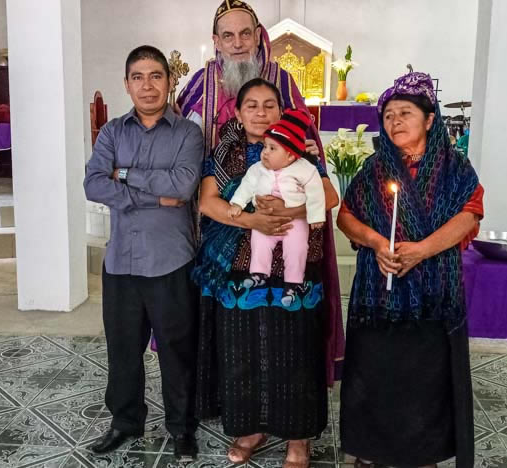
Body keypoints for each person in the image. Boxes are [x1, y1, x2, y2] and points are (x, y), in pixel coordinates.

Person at [177, 0, 345, 398]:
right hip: (223, 224)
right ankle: (234, 401)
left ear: (258, 36)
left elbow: (310, 149)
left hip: (289, 222)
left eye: (244, 34)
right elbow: (184, 149)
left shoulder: (282, 81)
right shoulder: (200, 85)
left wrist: (297, 195)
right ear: (216, 41)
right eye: (228, 36)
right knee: (237, 327)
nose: (237, 43)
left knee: (290, 328)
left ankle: (292, 412)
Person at [336, 72, 484, 468]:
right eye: (388, 116)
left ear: (430, 119)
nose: (395, 121)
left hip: (433, 298)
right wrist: (375, 242)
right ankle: (371, 451)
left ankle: (422, 455)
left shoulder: (455, 168)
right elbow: (346, 217)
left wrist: (421, 250)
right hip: (378, 297)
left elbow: (470, 215)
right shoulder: (373, 169)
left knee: (425, 382)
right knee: (375, 375)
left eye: (405, 113)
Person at [193, 78, 339, 468]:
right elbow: (208, 203)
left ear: (281, 111)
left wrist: (288, 212)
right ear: (238, 114)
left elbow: (327, 196)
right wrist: (253, 221)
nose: (261, 112)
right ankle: (251, 429)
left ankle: (298, 437)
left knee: (296, 349)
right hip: (241, 266)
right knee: (244, 349)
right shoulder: (224, 153)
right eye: (252, 106)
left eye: (269, 105)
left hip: (296, 265)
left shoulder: (301, 151)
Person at [83, 45, 204, 462]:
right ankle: (125, 422)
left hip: (171, 260)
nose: (147, 85)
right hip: (121, 261)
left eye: (156, 76)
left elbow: (183, 186)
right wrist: (153, 196)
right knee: (122, 350)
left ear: (169, 82)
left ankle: (182, 428)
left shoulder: (188, 133)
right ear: (127, 84)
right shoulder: (112, 132)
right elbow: (93, 184)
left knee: (177, 350)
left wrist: (126, 176)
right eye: (138, 77)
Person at [227, 109, 325, 285]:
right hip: (264, 218)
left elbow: (316, 192)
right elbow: (246, 186)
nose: (265, 152)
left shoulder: (305, 169)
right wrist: (237, 203)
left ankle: (293, 281)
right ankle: (258, 273)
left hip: (294, 222)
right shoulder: (258, 168)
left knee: (297, 247)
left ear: (290, 155)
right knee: (259, 242)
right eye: (265, 146)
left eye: (272, 148)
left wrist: (315, 216)